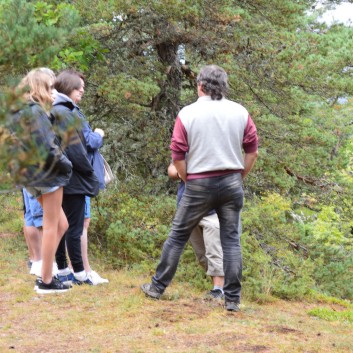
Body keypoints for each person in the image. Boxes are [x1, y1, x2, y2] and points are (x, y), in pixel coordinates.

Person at [141, 65, 258, 312]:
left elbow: (178, 153)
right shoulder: (240, 111)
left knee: (177, 236)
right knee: (231, 241)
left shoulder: (188, 113)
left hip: (198, 182)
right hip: (231, 181)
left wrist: (186, 178)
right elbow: (252, 150)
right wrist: (240, 176)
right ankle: (233, 300)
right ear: (224, 86)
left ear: (200, 85)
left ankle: (157, 287)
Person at [12, 69, 73, 293]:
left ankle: (45, 271)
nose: (54, 92)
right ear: (41, 87)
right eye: (51, 87)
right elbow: (48, 147)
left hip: (30, 174)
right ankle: (46, 281)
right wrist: (66, 165)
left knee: (61, 224)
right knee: (51, 226)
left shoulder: (21, 111)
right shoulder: (36, 112)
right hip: (47, 173)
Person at [51, 70, 100, 285]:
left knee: (62, 225)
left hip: (63, 175)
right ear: (68, 87)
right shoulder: (65, 112)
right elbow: (76, 149)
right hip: (72, 177)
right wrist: (89, 172)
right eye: (78, 87)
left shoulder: (58, 110)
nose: (82, 91)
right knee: (73, 226)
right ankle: (79, 273)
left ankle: (62, 269)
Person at [168, 163, 224, 299]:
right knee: (202, 255)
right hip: (188, 210)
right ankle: (220, 289)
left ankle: (219, 289)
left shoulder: (215, 147)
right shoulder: (185, 146)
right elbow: (172, 170)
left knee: (214, 251)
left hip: (212, 210)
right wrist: (181, 172)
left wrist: (186, 172)